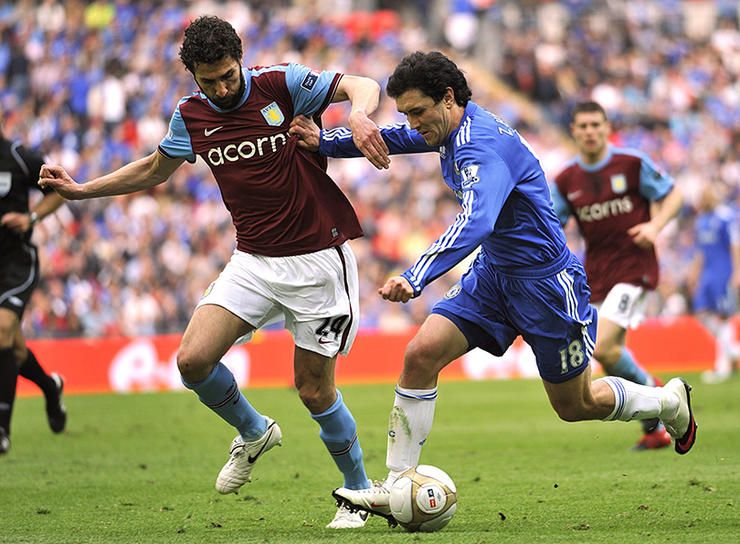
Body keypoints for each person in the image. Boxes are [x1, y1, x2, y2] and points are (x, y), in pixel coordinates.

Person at [288, 51, 697, 524]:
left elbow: (476, 221)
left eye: (418, 111)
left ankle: (667, 400)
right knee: (421, 354)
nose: (413, 122)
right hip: (493, 278)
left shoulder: (481, 145)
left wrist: (416, 275)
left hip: (546, 287)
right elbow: (396, 139)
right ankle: (397, 483)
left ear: (447, 99)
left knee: (575, 404)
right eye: (406, 113)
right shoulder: (449, 127)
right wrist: (326, 142)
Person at [38, 15, 391, 529]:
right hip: (252, 260)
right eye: (210, 81)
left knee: (314, 390)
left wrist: (358, 115)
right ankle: (254, 432)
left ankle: (358, 492)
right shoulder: (191, 115)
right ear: (194, 77)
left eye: (228, 74)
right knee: (192, 360)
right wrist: (82, 189)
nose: (222, 87)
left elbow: (363, 84)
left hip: (318, 259)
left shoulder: (281, 84)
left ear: (240, 60)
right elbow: (155, 168)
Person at [549, 101, 683, 450]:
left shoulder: (632, 164)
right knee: (607, 354)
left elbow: (674, 195)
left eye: (596, 124)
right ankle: (656, 418)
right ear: (574, 132)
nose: (590, 131)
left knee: (606, 345)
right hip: (595, 274)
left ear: (607, 127)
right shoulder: (566, 180)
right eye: (583, 126)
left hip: (634, 267)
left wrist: (655, 225)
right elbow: (553, 225)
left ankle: (658, 397)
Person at [0, 124, 67, 454]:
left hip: (15, 263)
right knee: (12, 347)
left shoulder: (19, 157)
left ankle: (2, 429)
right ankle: (49, 387)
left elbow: (58, 190)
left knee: (2, 331)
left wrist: (31, 218)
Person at [688, 183, 740, 384]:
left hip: (723, 272)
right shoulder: (701, 221)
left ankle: (723, 366)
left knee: (724, 317)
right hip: (707, 275)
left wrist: (737, 271)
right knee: (702, 313)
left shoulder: (725, 217)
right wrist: (694, 273)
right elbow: (701, 251)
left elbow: (735, 245)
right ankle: (733, 351)